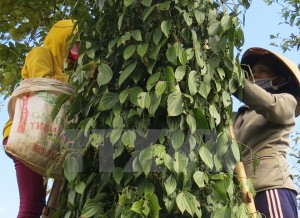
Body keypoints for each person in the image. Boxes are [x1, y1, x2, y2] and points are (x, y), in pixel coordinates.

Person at [2, 19, 78, 218]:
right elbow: (43, 83)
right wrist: (78, 80)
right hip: (24, 134)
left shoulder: (67, 70)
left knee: (39, 203)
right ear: (63, 38)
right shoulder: (40, 53)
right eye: (74, 41)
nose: (76, 49)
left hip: (43, 137)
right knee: (31, 204)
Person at [233, 47, 299, 218]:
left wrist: (229, 76)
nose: (255, 75)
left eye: (262, 71)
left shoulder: (285, 102)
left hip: (269, 187)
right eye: (252, 72)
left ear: (279, 80)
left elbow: (267, 104)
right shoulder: (237, 117)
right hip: (243, 196)